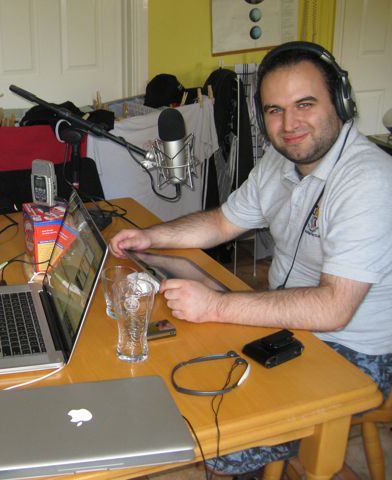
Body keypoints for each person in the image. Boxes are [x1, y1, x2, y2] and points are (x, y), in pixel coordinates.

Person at [111, 41, 392, 475]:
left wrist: (216, 304)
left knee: (225, 437)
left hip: (354, 354)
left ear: (340, 103)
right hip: (292, 327)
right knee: (181, 374)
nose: (289, 124)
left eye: (305, 104)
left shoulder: (367, 180)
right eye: (275, 110)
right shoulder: (280, 164)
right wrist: (151, 237)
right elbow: (222, 222)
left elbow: (334, 308)